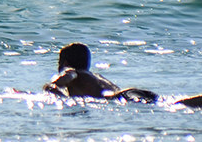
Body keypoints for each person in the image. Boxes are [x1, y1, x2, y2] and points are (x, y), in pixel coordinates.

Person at [43, 42, 202, 106]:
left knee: (173, 106)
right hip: (129, 92)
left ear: (64, 63)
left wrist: (53, 88)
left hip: (122, 97)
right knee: (173, 104)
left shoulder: (72, 72)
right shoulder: (97, 77)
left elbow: (62, 80)